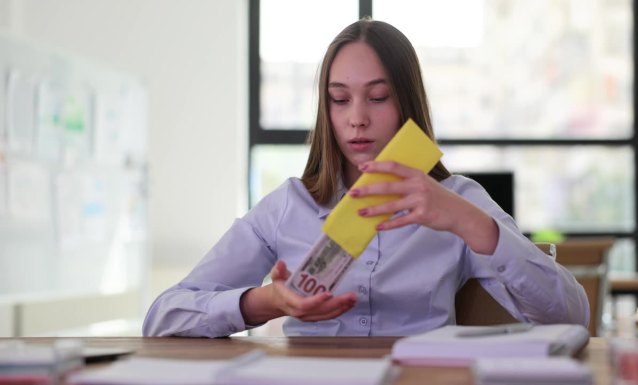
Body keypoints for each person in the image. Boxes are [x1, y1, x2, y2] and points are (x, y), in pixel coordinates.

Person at [143, 18, 589, 337]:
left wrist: (469, 222)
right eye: (340, 100)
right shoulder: (288, 206)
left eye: (377, 97)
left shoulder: (458, 199)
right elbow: (163, 317)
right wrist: (266, 303)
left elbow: (571, 318)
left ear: (406, 104)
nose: (357, 119)